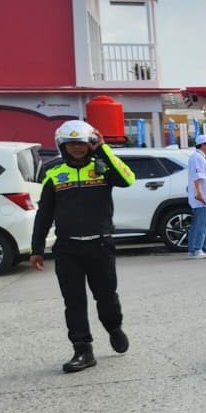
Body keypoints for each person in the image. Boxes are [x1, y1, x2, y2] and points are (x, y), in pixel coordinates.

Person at [30, 120, 137, 373]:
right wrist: (36, 248)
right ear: (62, 146)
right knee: (74, 301)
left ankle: (114, 328)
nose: (77, 148)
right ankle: (82, 349)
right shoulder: (53, 172)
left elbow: (128, 179)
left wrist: (103, 149)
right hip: (68, 249)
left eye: (82, 143)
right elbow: (44, 213)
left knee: (106, 297)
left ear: (90, 144)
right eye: (71, 144)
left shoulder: (102, 169)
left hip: (100, 245)